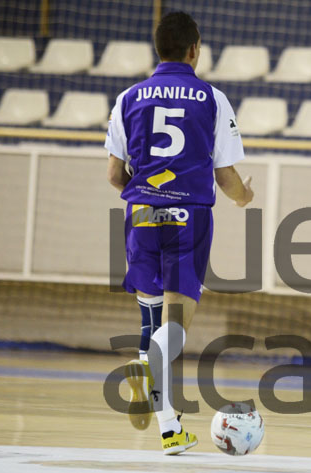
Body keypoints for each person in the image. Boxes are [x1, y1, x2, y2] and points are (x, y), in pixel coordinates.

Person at [105, 11, 253, 455]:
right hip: (188, 217)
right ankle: (147, 371)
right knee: (175, 325)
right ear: (195, 49)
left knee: (150, 321)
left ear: (159, 49)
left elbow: (114, 174)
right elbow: (226, 177)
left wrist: (143, 192)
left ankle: (170, 428)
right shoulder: (212, 98)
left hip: (141, 214)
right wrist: (244, 197)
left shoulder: (128, 97)